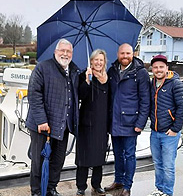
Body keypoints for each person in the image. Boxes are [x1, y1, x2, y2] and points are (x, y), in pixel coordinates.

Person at [26, 38, 80, 196]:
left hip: (64, 125)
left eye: (68, 51)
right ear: (55, 52)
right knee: (39, 161)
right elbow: (34, 95)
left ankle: (51, 188)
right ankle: (36, 191)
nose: (65, 54)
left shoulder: (75, 71)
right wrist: (42, 120)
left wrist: (88, 80)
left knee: (58, 160)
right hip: (43, 125)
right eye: (62, 50)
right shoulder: (42, 67)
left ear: (72, 53)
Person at [105, 43, 150, 196]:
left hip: (131, 122)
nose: (125, 56)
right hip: (114, 121)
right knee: (117, 153)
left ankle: (127, 186)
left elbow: (145, 100)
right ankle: (118, 180)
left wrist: (140, 123)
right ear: (118, 54)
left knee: (129, 154)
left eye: (128, 53)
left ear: (133, 54)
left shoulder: (140, 73)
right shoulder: (112, 71)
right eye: (122, 53)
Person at [147, 55, 183, 196]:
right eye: (156, 67)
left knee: (168, 166)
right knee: (157, 164)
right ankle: (159, 190)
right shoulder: (151, 83)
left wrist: (175, 129)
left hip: (169, 133)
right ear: (152, 69)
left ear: (166, 68)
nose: (158, 70)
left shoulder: (175, 84)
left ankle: (168, 193)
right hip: (155, 132)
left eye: (161, 67)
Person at [75, 49, 109, 196]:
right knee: (83, 156)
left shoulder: (108, 79)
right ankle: (81, 186)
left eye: (101, 60)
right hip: (86, 122)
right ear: (91, 61)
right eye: (96, 60)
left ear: (104, 62)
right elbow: (80, 95)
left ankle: (97, 184)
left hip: (102, 122)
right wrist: (87, 81)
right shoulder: (84, 75)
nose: (98, 62)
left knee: (99, 156)